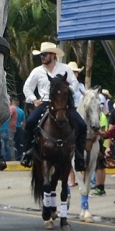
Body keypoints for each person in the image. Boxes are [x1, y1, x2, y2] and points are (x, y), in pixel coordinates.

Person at [18, 41, 87, 171]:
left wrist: (65, 90)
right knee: (30, 122)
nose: (42, 57)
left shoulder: (65, 69)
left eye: (44, 54)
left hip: (64, 103)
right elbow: (27, 87)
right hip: (45, 103)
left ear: (53, 55)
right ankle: (27, 153)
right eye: (41, 55)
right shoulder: (37, 71)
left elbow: (75, 84)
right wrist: (34, 100)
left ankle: (79, 157)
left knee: (82, 125)